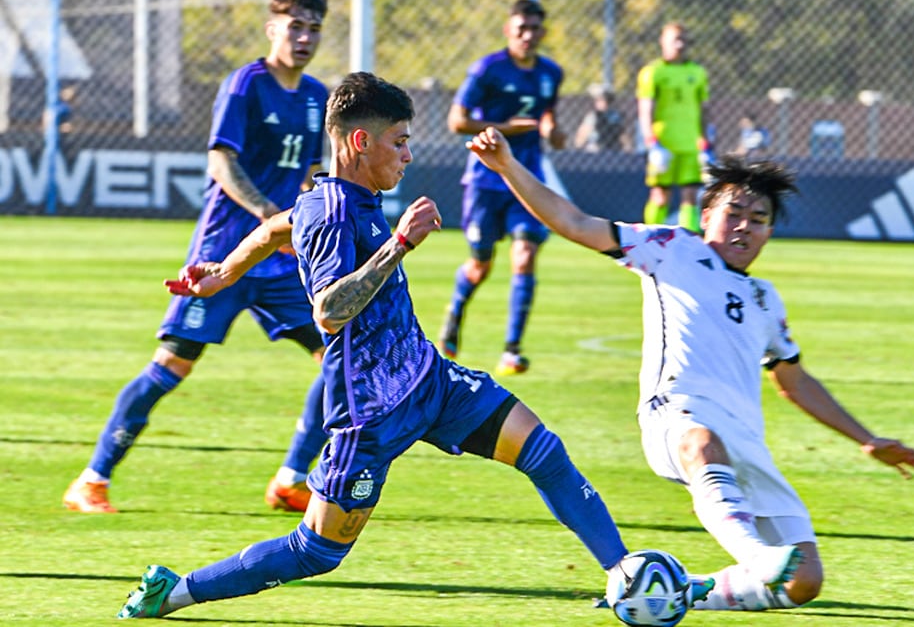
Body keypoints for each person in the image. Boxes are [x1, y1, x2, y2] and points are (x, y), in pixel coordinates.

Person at [116, 72, 647, 620]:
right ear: (361, 142)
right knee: (316, 551)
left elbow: (278, 227)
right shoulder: (333, 213)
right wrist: (398, 245)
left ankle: (625, 573)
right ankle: (175, 591)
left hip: (431, 383)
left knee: (543, 452)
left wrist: (224, 272)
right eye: (400, 141)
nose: (409, 155)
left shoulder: (339, 198)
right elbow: (328, 311)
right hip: (370, 414)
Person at [466, 126, 914, 612]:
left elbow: (793, 380)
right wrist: (507, 166)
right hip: (677, 415)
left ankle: (677, 593)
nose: (744, 227)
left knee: (804, 582)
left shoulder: (764, 298)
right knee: (702, 445)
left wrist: (866, 438)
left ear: (769, 232)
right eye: (733, 212)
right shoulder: (671, 248)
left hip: (745, 440)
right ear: (707, 214)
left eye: (758, 219)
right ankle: (755, 557)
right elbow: (575, 222)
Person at [63, 0, 331, 514]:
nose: (304, 38)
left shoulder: (316, 95)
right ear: (271, 28)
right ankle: (91, 480)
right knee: (173, 366)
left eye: (314, 29)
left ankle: (291, 479)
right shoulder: (244, 86)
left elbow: (302, 173)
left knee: (338, 356)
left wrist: (306, 217)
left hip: (278, 260)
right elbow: (221, 163)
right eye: (295, 26)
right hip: (222, 256)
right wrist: (265, 214)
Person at [438, 0, 567, 377]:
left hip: (526, 180)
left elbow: (547, 119)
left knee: (525, 256)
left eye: (534, 29)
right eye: (520, 28)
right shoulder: (488, 70)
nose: (527, 36)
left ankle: (512, 350)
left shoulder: (550, 74)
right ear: (508, 30)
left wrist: (553, 132)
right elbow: (456, 121)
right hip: (485, 181)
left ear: (542, 33)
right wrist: (507, 128)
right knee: (481, 265)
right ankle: (456, 311)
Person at [636, 22, 712, 232]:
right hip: (664, 144)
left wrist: (706, 144)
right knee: (660, 196)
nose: (679, 45)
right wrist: (652, 143)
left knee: (690, 197)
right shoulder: (653, 72)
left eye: (683, 40)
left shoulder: (697, 72)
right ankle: (650, 240)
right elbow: (645, 110)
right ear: (663, 42)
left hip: (689, 145)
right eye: (675, 40)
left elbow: (703, 110)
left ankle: (689, 245)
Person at [574, 83, 627, 152]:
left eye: (604, 100)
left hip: (613, 147)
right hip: (595, 148)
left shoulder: (614, 116)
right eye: (598, 100)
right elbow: (579, 139)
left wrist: (627, 148)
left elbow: (622, 134)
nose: (601, 103)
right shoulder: (592, 116)